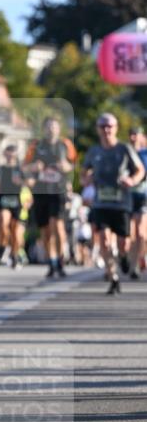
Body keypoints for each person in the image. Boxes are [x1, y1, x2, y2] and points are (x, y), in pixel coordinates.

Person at [81, 112, 145, 294]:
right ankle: (113, 276)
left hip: (121, 204)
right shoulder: (94, 151)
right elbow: (84, 172)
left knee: (123, 243)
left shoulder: (124, 149)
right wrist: (86, 179)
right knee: (104, 241)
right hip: (101, 203)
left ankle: (124, 257)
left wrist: (132, 180)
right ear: (98, 129)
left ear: (116, 128)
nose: (106, 129)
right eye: (103, 126)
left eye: (110, 126)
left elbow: (140, 170)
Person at [24, 116, 76, 278]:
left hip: (58, 190)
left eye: (54, 127)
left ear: (58, 129)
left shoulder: (65, 144)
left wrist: (65, 166)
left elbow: (73, 164)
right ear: (44, 129)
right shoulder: (36, 146)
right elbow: (24, 166)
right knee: (45, 231)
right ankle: (52, 261)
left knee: (58, 227)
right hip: (40, 191)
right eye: (48, 127)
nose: (51, 129)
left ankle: (61, 259)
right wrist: (34, 166)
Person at [0, 145, 29, 268]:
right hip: (3, 199)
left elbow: (28, 183)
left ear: (15, 155)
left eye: (12, 154)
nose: (10, 156)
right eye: (7, 154)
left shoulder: (20, 169)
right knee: (3, 221)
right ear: (4, 154)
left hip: (16, 201)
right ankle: (5, 247)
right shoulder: (0, 169)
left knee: (16, 233)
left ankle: (14, 254)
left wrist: (22, 183)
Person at [128, 126, 147, 280]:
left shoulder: (145, 153)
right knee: (131, 234)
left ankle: (137, 262)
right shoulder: (125, 153)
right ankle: (132, 263)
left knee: (141, 233)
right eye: (132, 134)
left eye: (137, 134)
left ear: (142, 136)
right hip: (127, 196)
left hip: (144, 195)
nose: (134, 137)